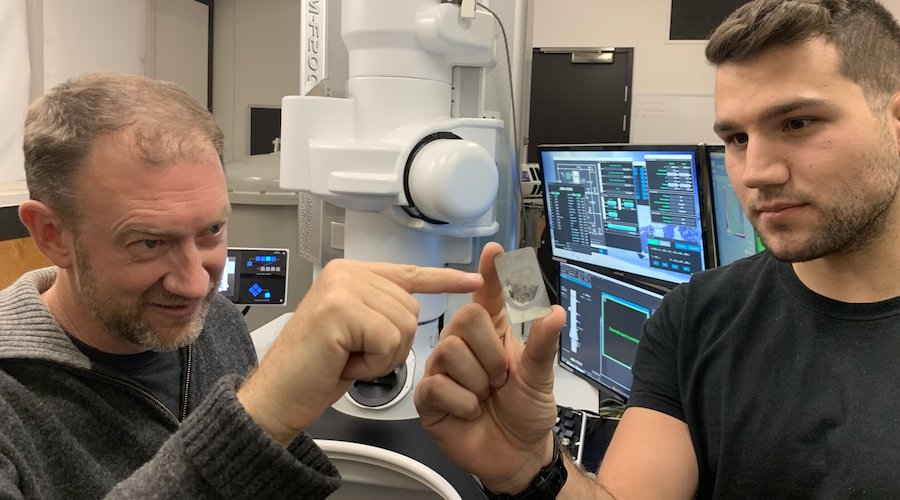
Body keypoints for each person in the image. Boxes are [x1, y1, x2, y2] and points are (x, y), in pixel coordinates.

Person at [415, 0, 900, 497]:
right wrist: (530, 468)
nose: (756, 172)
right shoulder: (696, 316)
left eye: (797, 123)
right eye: (736, 138)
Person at [1, 72, 484, 499]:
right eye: (149, 243)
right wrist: (262, 414)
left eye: (212, 230)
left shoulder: (218, 323)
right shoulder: (13, 401)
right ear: (52, 234)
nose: (195, 285)